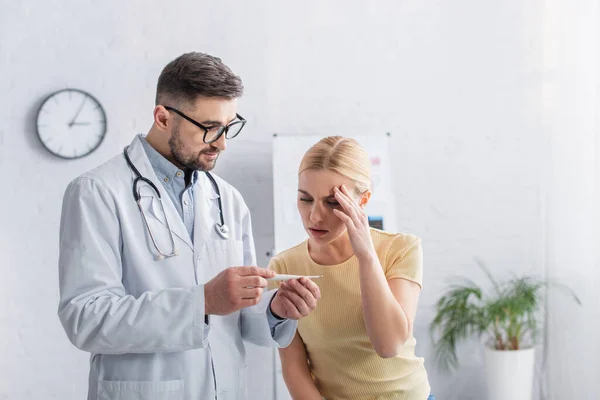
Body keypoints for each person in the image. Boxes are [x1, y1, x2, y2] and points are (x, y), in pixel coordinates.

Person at [57, 52, 320, 400]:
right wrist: (202, 302)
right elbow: (85, 319)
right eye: (210, 128)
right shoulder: (98, 192)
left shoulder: (228, 200)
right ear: (162, 117)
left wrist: (274, 310)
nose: (222, 143)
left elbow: (238, 319)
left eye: (228, 127)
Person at [269, 136, 433, 400]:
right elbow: (293, 368)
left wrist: (366, 255)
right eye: (305, 199)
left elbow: (388, 345)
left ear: (363, 201)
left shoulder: (401, 249)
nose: (315, 216)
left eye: (333, 202)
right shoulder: (285, 267)